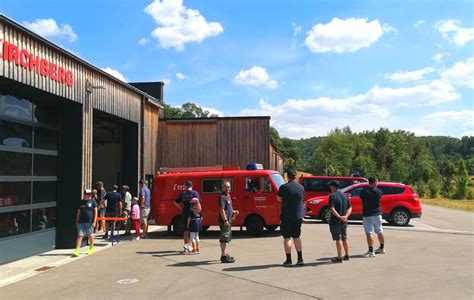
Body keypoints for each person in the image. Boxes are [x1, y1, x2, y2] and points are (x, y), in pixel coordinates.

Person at [277, 169, 305, 267]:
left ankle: (289, 260)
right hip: (298, 216)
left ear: (287, 177)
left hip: (286, 216)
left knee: (287, 238)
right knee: (297, 237)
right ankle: (300, 259)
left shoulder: (283, 187)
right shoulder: (301, 187)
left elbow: (279, 199)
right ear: (295, 176)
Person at [360, 176, 385, 257]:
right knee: (380, 231)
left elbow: (361, 197)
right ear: (375, 182)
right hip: (377, 214)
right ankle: (382, 248)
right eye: (377, 182)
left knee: (369, 233)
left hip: (367, 215)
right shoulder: (379, 191)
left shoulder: (363, 191)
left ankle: (371, 251)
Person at [328, 180, 352, 263]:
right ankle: (347, 255)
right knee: (344, 237)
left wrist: (339, 217)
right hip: (344, 221)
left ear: (333, 186)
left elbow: (331, 208)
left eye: (330, 186)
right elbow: (350, 208)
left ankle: (339, 257)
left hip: (336, 221)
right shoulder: (345, 195)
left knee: (338, 238)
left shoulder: (332, 196)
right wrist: (346, 216)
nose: (330, 188)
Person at [174, 180, 201, 252]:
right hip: (194, 215)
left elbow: (175, 202)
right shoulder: (195, 193)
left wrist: (181, 208)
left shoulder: (183, 194)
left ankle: (186, 246)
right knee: (195, 233)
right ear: (192, 186)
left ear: (186, 186)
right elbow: (198, 204)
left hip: (185, 214)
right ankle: (195, 248)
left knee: (186, 231)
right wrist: (199, 213)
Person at [218, 180, 239, 263]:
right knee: (224, 238)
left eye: (228, 187)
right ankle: (223, 256)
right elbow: (221, 209)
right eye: (225, 187)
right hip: (224, 221)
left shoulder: (228, 196)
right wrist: (225, 220)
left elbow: (228, 208)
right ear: (222, 187)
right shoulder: (222, 197)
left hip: (228, 220)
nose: (227, 188)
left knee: (226, 238)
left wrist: (233, 212)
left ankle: (224, 254)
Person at [73, 189, 98, 257]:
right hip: (81, 222)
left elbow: (96, 212)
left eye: (89, 194)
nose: (88, 195)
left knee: (90, 235)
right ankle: (77, 250)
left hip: (89, 222)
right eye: (87, 194)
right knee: (79, 235)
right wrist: (77, 222)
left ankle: (91, 247)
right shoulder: (81, 202)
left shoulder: (93, 201)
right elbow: (78, 213)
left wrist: (94, 222)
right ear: (84, 195)